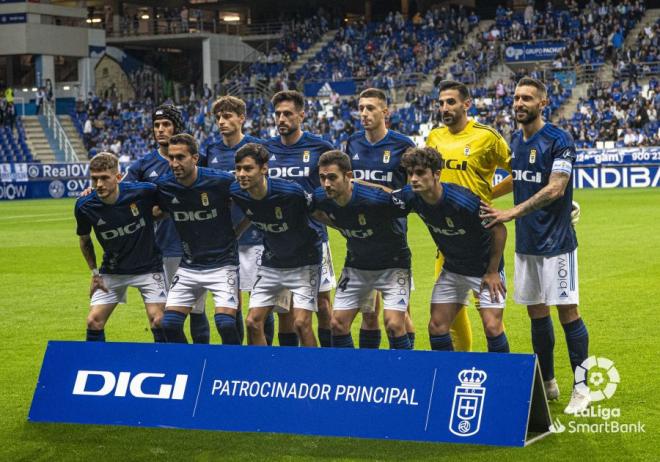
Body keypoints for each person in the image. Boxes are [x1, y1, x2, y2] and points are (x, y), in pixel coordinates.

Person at [480, 77, 590, 415]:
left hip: (557, 243)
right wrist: (486, 194)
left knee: (567, 311)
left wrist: (512, 211)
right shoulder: (515, 139)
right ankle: (548, 381)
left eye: (527, 98)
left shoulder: (559, 139)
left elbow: (557, 188)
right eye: (515, 98)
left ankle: (583, 387)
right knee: (535, 311)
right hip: (527, 244)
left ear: (543, 103)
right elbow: (520, 177)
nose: (519, 103)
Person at [425, 80, 513, 352]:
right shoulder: (434, 137)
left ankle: (500, 377)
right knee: (448, 317)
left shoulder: (487, 136)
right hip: (447, 240)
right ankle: (456, 370)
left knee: (490, 319)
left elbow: (519, 173)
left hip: (482, 237)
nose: (444, 108)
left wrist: (489, 197)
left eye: (451, 102)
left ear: (467, 104)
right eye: (441, 103)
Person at [395, 147, 509, 353]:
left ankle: (500, 381)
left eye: (420, 173)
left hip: (484, 270)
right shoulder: (412, 196)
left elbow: (499, 230)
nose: (413, 179)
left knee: (492, 326)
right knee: (437, 327)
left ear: (436, 174)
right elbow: (384, 196)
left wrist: (493, 272)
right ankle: (447, 376)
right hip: (453, 269)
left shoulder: (462, 201)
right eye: (410, 173)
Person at [122, 104, 210, 344]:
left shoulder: (195, 162)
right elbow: (121, 195)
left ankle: (201, 363)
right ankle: (172, 363)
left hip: (193, 247)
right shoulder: (143, 166)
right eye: (156, 126)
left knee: (196, 310)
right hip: (158, 249)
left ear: (177, 127)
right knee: (161, 317)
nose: (160, 130)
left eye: (166, 125)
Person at [313, 151, 412, 349]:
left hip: (393, 265)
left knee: (393, 324)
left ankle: (404, 374)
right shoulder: (320, 198)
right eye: (322, 177)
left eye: (332, 177)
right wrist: (340, 225)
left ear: (348, 176)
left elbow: (407, 204)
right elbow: (311, 210)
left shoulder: (375, 199)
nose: (326, 184)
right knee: (337, 324)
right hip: (357, 265)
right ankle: (351, 375)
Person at [199, 95, 277, 345]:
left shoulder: (257, 148)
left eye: (227, 116)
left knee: (260, 302)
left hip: (256, 237)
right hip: (223, 239)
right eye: (218, 117)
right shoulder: (211, 150)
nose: (221, 121)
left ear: (241, 118)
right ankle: (238, 358)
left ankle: (265, 355)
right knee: (232, 304)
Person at [345, 87, 416, 349]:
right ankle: (371, 370)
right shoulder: (352, 143)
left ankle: (408, 365)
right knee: (368, 313)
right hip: (361, 240)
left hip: (393, 239)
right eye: (361, 108)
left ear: (385, 112)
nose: (364, 113)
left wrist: (378, 191)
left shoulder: (403, 145)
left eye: (370, 108)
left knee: (399, 315)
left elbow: (411, 191)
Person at [231, 143, 322, 347]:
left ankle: (314, 370)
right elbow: (252, 210)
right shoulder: (237, 191)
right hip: (272, 264)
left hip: (304, 263)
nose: (241, 174)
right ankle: (266, 371)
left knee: (301, 323)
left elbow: (317, 211)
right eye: (238, 169)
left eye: (248, 168)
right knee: (253, 322)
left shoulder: (290, 192)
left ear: (264, 169)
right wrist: (236, 232)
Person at [154, 133, 241, 345]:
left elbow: (251, 203)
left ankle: (235, 366)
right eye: (172, 157)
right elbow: (147, 204)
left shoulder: (221, 181)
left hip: (223, 263)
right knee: (170, 325)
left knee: (226, 324)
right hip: (189, 266)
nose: (175, 163)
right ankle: (189, 367)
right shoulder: (164, 186)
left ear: (195, 158)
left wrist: (235, 232)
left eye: (180, 157)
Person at [264, 90, 335, 347]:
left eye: (287, 114)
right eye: (278, 114)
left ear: (301, 115)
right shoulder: (265, 149)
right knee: (285, 312)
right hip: (279, 240)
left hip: (315, 236)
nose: (281, 119)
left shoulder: (320, 147)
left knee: (324, 306)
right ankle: (290, 367)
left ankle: (329, 359)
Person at [74, 152, 166, 343]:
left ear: (117, 177)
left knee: (159, 320)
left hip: (148, 267)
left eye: (104, 178)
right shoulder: (85, 205)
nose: (99, 184)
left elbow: (167, 204)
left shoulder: (143, 191)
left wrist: (153, 217)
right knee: (93, 321)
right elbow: (84, 240)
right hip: (112, 270)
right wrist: (94, 273)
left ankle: (164, 365)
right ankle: (96, 365)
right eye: (94, 179)